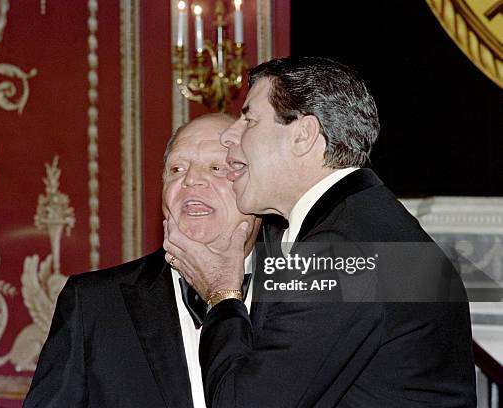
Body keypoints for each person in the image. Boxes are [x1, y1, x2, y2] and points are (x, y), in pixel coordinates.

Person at [163, 57, 476, 407]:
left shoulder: (345, 252)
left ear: (303, 136)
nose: (229, 135)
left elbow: (241, 401)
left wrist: (221, 291)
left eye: (249, 119)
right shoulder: (363, 222)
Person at [23, 113, 261, 408]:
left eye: (216, 167)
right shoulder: (95, 304)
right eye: (176, 169)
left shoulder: (309, 293)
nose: (191, 179)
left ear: (259, 185)